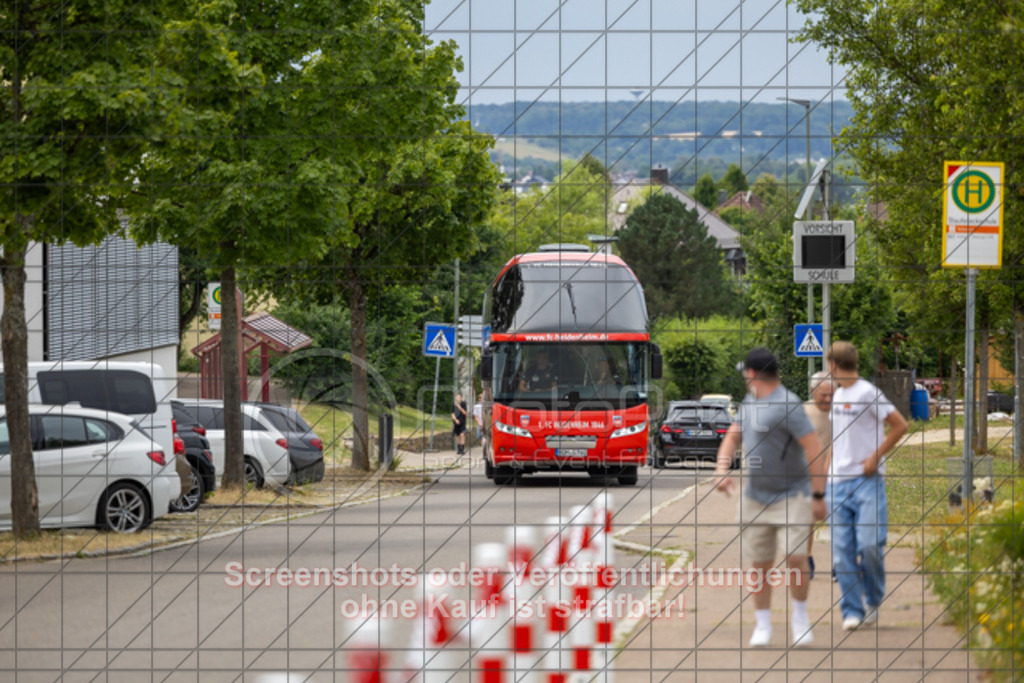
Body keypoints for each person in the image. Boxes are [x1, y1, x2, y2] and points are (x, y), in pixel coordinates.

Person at [714, 347, 827, 648]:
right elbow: (733, 437)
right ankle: (763, 624)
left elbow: (813, 447)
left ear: (752, 374)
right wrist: (722, 469)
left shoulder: (788, 404)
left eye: (744, 374)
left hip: (793, 494)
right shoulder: (749, 403)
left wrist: (818, 495)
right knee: (760, 563)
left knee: (796, 558)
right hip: (755, 497)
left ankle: (800, 618)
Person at [826, 341, 908, 631]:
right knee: (842, 551)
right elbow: (836, 443)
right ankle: (852, 609)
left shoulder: (867, 393)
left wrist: (876, 456)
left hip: (867, 482)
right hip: (837, 484)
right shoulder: (837, 396)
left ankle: (873, 599)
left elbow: (900, 424)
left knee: (870, 545)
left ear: (832, 365)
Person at [802, 370, 834, 580]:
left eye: (832, 394)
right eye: (823, 395)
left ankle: (841, 563)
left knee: (840, 521)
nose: (828, 399)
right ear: (813, 391)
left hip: (837, 475)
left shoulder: (842, 410)